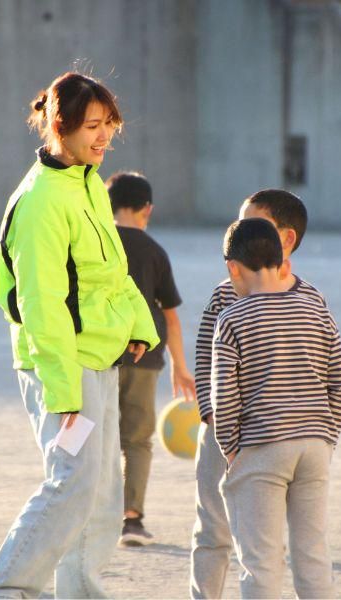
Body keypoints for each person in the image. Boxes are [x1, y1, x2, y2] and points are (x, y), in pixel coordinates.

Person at [0, 72, 160, 599]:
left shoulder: (88, 183)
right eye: (92, 126)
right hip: (62, 365)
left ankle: (80, 593)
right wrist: (63, 392)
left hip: (99, 357)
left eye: (109, 125)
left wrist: (138, 325)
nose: (104, 137)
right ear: (60, 127)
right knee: (71, 483)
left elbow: (112, 270)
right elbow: (41, 305)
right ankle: (1, 591)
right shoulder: (40, 201)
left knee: (101, 494)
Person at [190, 189, 329, 598]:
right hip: (225, 429)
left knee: (280, 549)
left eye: (252, 224)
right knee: (213, 530)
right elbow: (206, 358)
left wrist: (326, 433)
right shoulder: (225, 293)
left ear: (286, 239)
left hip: (284, 439)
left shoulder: (310, 298)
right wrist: (217, 425)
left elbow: (329, 372)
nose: (240, 230)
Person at [211, 218, 341, 598]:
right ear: (281, 260)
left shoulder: (232, 319)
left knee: (261, 561)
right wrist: (327, 437)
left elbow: (224, 397)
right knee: (313, 555)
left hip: (262, 448)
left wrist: (231, 449)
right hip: (314, 446)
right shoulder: (315, 309)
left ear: (233, 268)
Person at [106, 171, 197, 546]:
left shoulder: (96, 242)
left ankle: (89, 514)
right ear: (148, 209)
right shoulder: (155, 252)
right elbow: (171, 317)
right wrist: (180, 366)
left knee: (94, 435)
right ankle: (131, 520)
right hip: (144, 359)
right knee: (138, 440)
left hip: (97, 355)